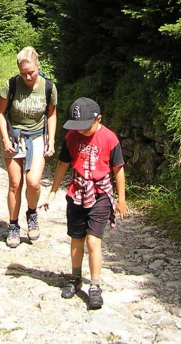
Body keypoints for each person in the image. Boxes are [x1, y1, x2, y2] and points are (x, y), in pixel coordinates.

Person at [41, 96, 127, 310]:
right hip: (77, 193)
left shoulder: (109, 138)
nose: (81, 131)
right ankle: (75, 277)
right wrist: (52, 191)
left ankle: (95, 286)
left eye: (85, 127)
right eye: (77, 127)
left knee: (93, 241)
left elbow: (118, 169)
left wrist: (122, 200)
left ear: (98, 119)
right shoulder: (72, 137)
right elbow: (63, 165)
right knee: (76, 238)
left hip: (100, 194)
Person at [0, 46, 57, 248]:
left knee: (33, 182)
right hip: (14, 135)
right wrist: (5, 139)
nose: (28, 77)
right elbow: (0, 113)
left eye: (31, 72)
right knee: (15, 183)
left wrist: (52, 140)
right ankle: (13, 226)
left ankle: (32, 213)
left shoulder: (48, 87)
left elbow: (51, 114)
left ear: (38, 66)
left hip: (37, 136)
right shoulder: (11, 85)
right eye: (23, 73)